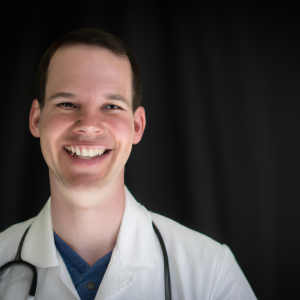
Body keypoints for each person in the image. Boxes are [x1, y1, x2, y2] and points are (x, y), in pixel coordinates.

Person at [0, 28, 257, 300]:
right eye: (66, 103)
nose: (88, 125)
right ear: (36, 119)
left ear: (137, 126)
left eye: (111, 106)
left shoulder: (212, 273)